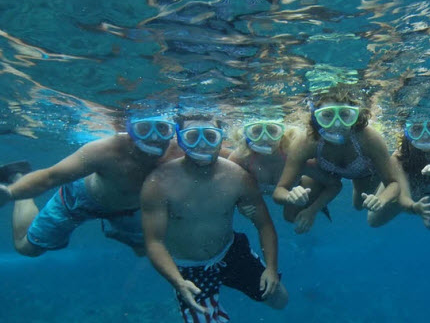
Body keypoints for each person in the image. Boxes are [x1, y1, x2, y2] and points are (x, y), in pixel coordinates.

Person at [141, 115, 288, 323]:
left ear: (221, 139)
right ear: (180, 140)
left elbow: (264, 225)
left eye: (210, 136)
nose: (202, 145)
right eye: (193, 137)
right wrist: (178, 282)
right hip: (187, 268)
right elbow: (153, 242)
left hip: (229, 252)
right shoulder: (159, 182)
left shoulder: (238, 177)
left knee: (280, 299)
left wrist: (272, 268)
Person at [0, 116, 180, 256]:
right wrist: (11, 193)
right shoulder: (106, 150)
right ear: (130, 131)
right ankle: (18, 177)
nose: (154, 138)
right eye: (144, 129)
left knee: (143, 250)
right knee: (27, 249)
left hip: (130, 210)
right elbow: (50, 176)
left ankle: (115, 229)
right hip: (81, 200)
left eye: (163, 129)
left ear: (173, 131)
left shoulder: (178, 153)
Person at [272, 84, 400, 231]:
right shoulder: (307, 141)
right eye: (327, 115)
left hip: (364, 174)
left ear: (356, 116)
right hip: (327, 174)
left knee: (359, 205)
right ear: (316, 118)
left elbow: (393, 184)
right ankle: (320, 204)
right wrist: (290, 196)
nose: (337, 124)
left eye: (345, 115)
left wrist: (381, 199)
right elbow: (279, 191)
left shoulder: (368, 138)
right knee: (290, 214)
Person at [367, 109, 430, 229]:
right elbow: (404, 196)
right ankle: (394, 197)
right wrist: (413, 207)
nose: (425, 136)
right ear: (407, 133)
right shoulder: (399, 157)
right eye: (417, 129)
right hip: (408, 185)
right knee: (373, 221)